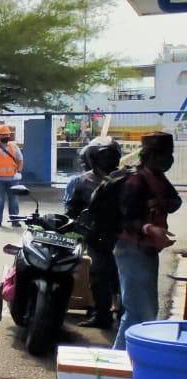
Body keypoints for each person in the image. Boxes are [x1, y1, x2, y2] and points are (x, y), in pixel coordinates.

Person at [112, 132, 181, 351]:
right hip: (130, 250)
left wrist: (161, 204)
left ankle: (131, 358)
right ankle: (120, 360)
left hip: (148, 251)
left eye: (169, 154)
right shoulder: (135, 180)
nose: (168, 159)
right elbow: (125, 217)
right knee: (136, 310)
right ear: (150, 155)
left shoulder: (158, 178)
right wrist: (150, 228)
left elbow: (175, 201)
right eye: (163, 155)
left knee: (148, 310)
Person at [65, 138, 123, 329]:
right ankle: (103, 314)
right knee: (100, 274)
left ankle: (120, 312)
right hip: (98, 235)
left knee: (118, 276)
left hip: (122, 235)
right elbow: (73, 209)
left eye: (110, 155)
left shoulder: (125, 177)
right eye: (104, 156)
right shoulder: (84, 181)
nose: (107, 160)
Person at [0, 124, 24, 227]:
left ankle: (15, 221)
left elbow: (20, 160)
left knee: (14, 201)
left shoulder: (14, 147)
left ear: (9, 135)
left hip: (13, 179)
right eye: (2, 135)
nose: (5, 136)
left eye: (6, 134)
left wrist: (19, 172)